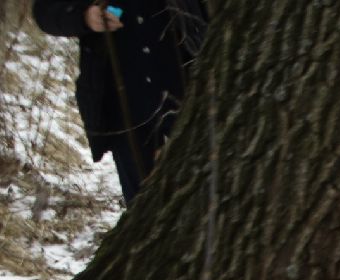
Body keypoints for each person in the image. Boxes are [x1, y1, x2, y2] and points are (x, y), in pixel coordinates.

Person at [32, 1, 208, 206]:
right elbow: (46, 12)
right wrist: (85, 17)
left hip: (188, 93)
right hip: (125, 110)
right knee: (142, 205)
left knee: (204, 192)